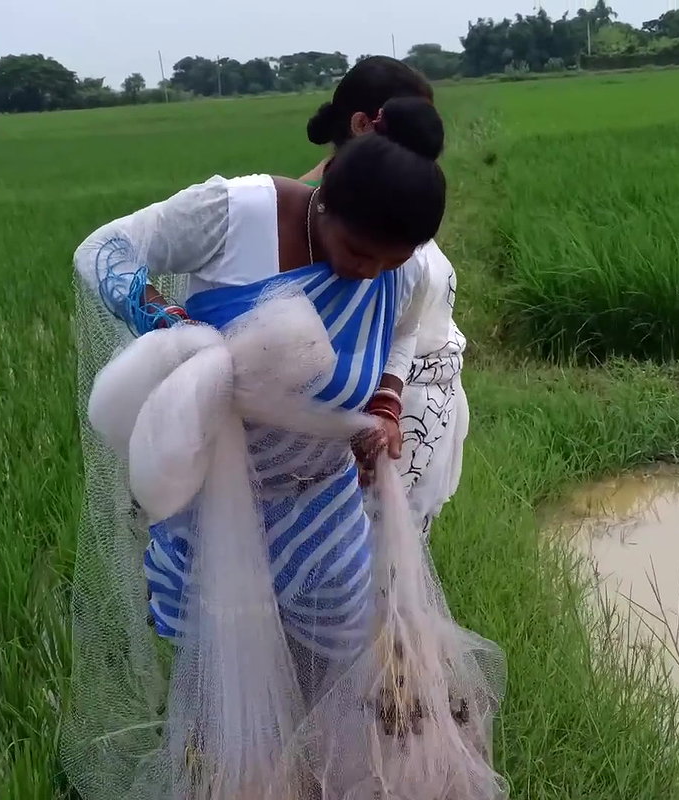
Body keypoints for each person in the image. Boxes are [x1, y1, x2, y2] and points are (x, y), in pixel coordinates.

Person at [72, 96, 444, 666]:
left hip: (324, 507)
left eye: (387, 264)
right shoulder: (234, 214)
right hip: (213, 512)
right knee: (223, 682)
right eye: (358, 252)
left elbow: (403, 327)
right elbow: (102, 249)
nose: (369, 274)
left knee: (338, 671)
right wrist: (168, 322)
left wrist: (386, 403)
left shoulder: (403, 270)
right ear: (326, 206)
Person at [300, 56, 469, 542]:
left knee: (400, 559)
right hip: (369, 425)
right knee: (364, 566)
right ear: (362, 125)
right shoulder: (314, 218)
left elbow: (407, 321)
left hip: (410, 409)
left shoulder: (393, 205)